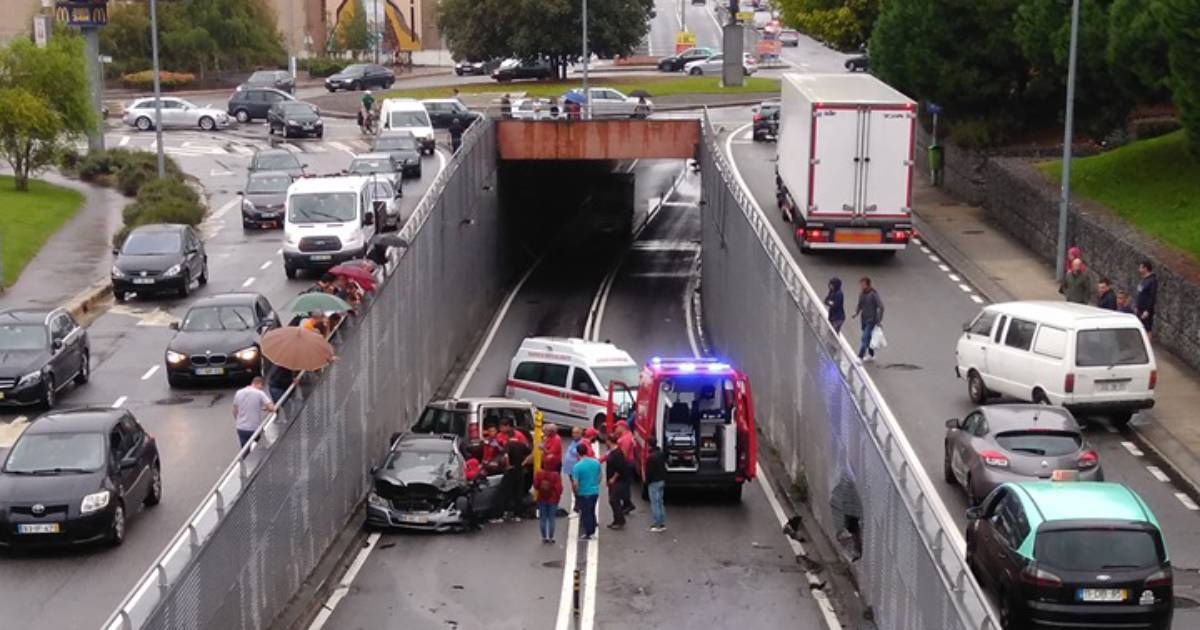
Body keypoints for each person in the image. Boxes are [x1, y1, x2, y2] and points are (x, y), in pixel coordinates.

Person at [233, 376, 275, 448]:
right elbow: (271, 408)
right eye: (262, 386)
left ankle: (245, 459)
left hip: (241, 428)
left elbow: (235, 410)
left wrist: (239, 421)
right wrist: (267, 409)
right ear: (259, 383)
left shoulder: (239, 392)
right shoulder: (260, 393)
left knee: (245, 449)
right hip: (254, 428)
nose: (262, 388)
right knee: (265, 447)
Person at [571, 443, 602, 539]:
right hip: (594, 491)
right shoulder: (595, 462)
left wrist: (576, 491)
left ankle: (589, 532)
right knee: (592, 511)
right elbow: (600, 476)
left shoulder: (577, 466)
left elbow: (575, 483)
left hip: (584, 492)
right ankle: (592, 529)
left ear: (577, 453)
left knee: (585, 513)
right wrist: (595, 484)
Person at [502, 425, 532, 520]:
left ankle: (505, 512)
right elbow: (530, 453)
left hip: (511, 471)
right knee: (518, 492)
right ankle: (518, 514)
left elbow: (506, 456)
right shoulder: (521, 445)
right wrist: (524, 462)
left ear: (507, 436)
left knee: (505, 491)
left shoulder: (508, 445)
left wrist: (508, 465)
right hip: (520, 470)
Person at [852, 276, 884, 361]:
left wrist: (879, 319)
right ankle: (871, 355)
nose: (861, 286)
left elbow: (881, 307)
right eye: (861, 284)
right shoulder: (862, 294)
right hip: (864, 319)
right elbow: (860, 305)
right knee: (868, 338)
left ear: (868, 285)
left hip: (871, 320)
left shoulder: (873, 294)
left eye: (863, 284)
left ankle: (860, 357)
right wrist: (856, 313)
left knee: (864, 338)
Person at [604, 434, 629, 530]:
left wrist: (613, 478)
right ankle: (616, 520)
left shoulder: (617, 453)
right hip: (613, 481)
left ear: (610, 441)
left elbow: (620, 468)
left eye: (607, 441)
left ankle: (620, 520)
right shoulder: (613, 452)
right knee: (613, 500)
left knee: (614, 500)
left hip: (618, 481)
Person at [534, 464, 563, 544]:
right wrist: (557, 497)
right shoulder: (556, 475)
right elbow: (559, 488)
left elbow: (536, 486)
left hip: (542, 498)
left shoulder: (539, 474)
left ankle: (544, 537)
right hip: (553, 499)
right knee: (551, 519)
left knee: (542, 518)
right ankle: (551, 537)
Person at [645, 438, 668, 532]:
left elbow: (649, 472)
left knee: (654, 503)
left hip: (654, 482)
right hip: (661, 480)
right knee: (660, 502)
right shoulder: (661, 454)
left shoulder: (651, 457)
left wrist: (647, 482)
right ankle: (662, 522)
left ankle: (656, 524)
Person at [614, 426, 636, 515]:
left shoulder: (626, 438)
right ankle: (626, 503)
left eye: (616, 427)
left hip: (626, 463)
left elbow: (624, 453)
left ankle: (628, 504)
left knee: (624, 485)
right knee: (625, 484)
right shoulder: (627, 435)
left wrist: (620, 465)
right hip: (628, 462)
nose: (615, 429)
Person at [1135, 260, 1158, 336]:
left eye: (1140, 267)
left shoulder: (1152, 281)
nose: (1139, 269)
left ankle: (1148, 345)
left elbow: (1152, 296)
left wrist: (1147, 310)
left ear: (1145, 268)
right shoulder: (1144, 280)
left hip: (1146, 310)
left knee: (1147, 328)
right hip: (1140, 308)